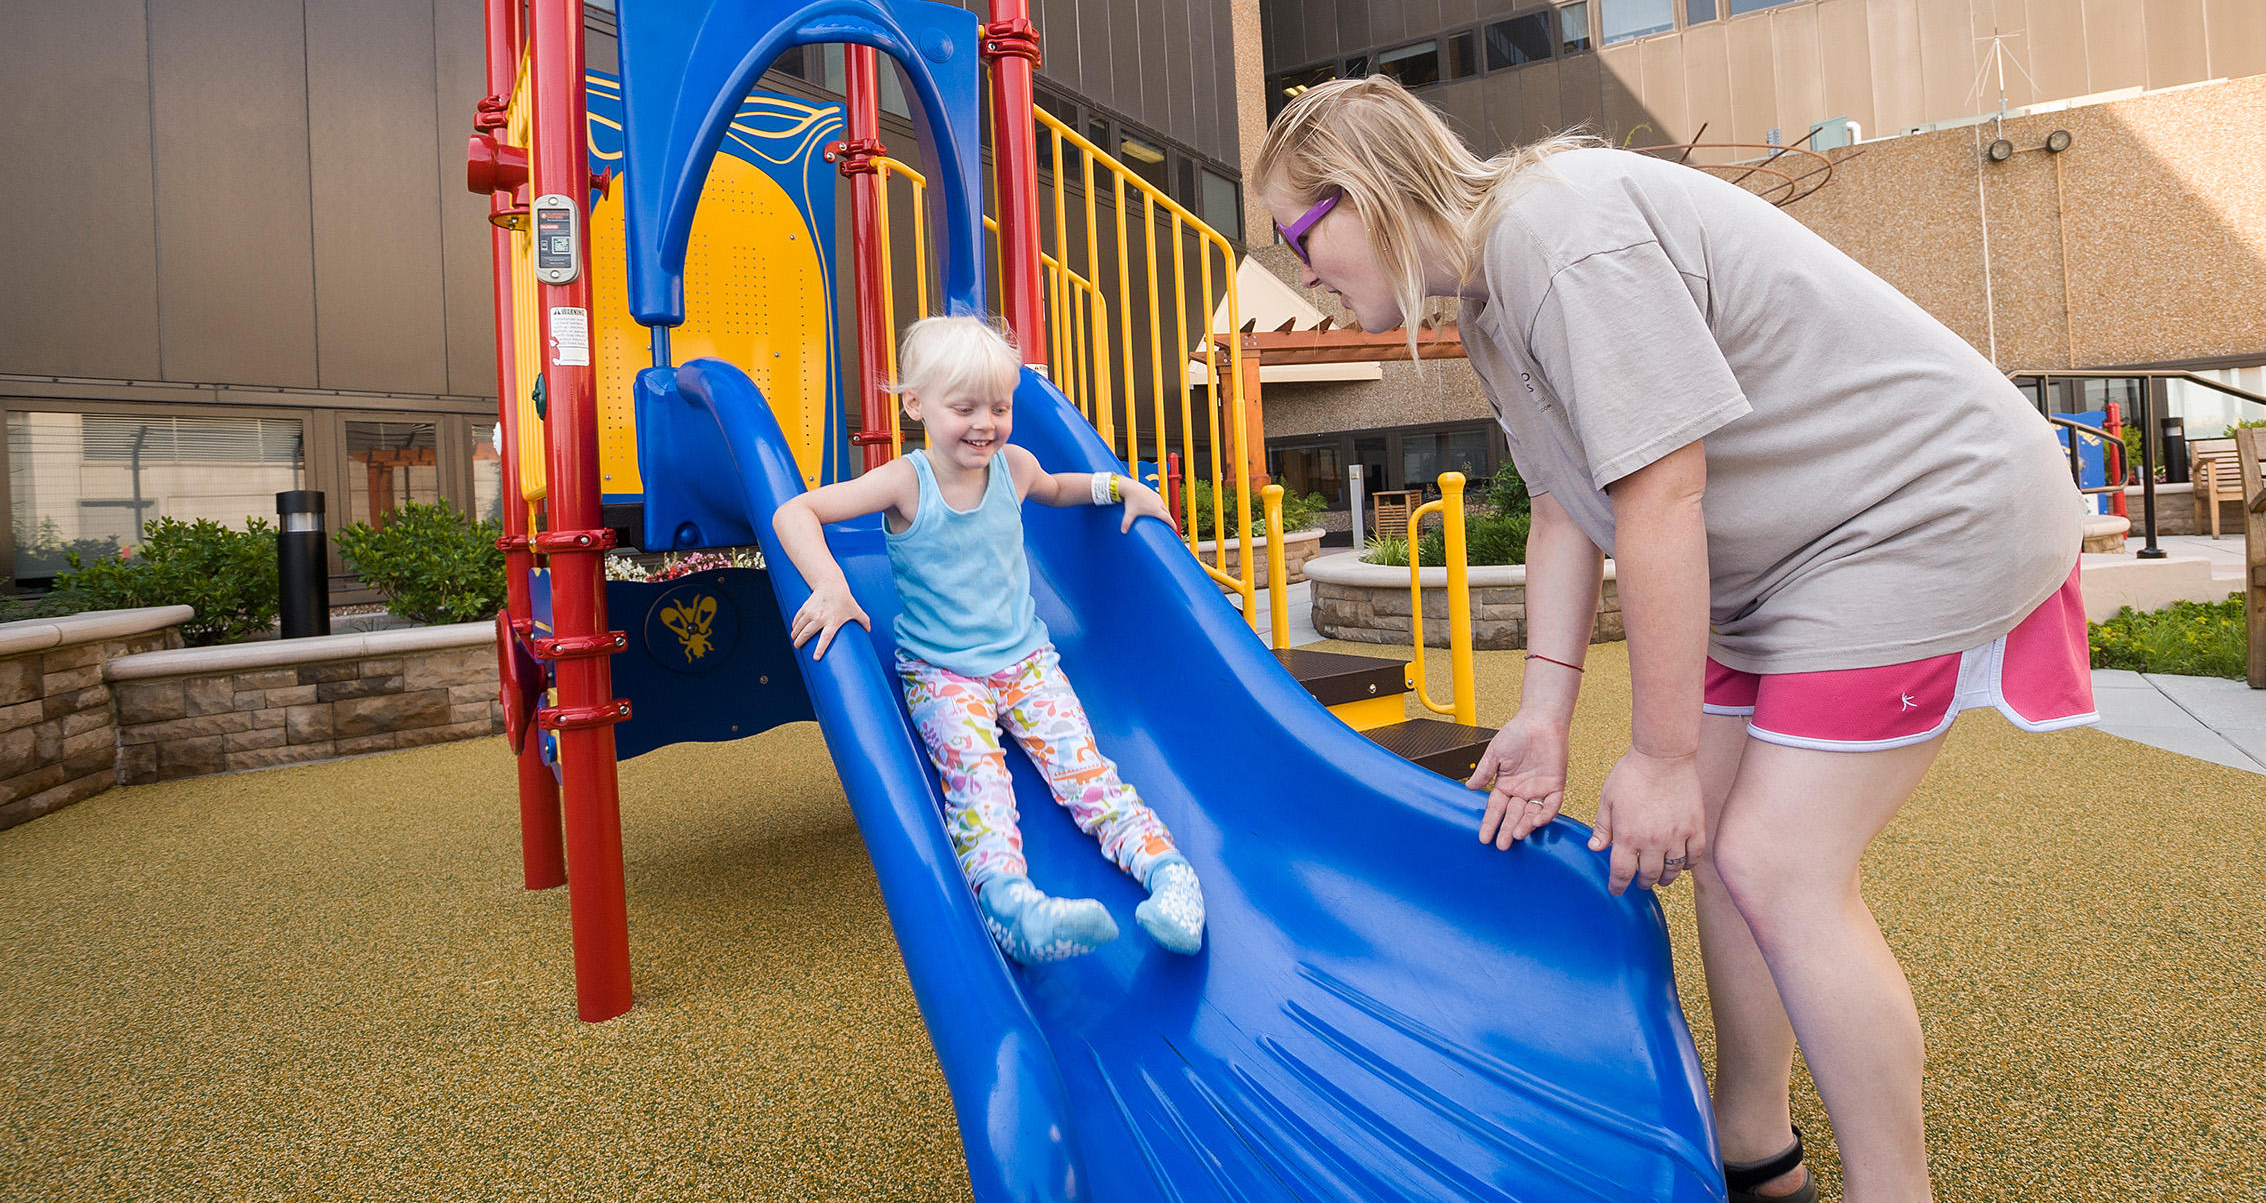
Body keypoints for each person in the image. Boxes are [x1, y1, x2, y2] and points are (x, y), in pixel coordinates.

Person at [1252, 78, 2095, 1203]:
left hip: (1920, 512)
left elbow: (1661, 494)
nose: (1297, 269)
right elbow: (1564, 507)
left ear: (1366, 193)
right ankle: (1756, 1146)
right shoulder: (1493, 298)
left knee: (1779, 864)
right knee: (1725, 863)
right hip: (1797, 549)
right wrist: (1545, 714)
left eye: (1296, 234)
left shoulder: (1561, 234)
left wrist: (1659, 758)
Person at [773, 315, 1206, 966]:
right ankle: (1012, 909)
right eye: (964, 407)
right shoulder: (904, 481)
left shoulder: (1015, 466)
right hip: (943, 675)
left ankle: (1170, 877)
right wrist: (831, 584)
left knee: (1084, 769)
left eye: (999, 407)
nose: (985, 423)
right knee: (979, 783)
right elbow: (794, 511)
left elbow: (1061, 490)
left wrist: (1124, 487)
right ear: (916, 405)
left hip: (1028, 663)